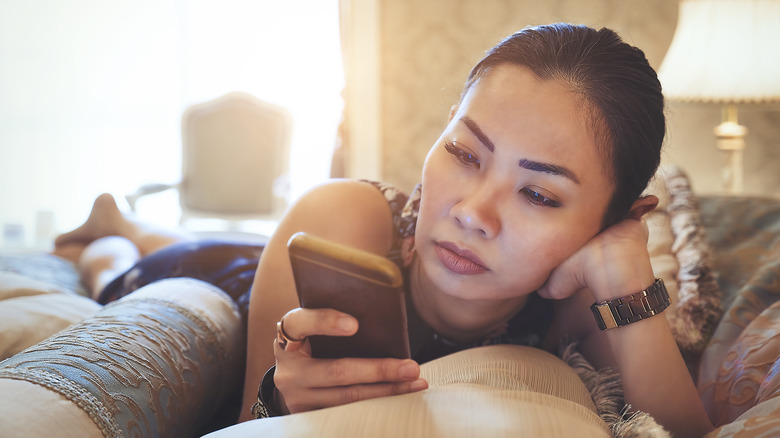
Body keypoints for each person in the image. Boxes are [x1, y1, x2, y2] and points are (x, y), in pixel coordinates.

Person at [54, 23, 713, 437]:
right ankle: (116, 229)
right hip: (228, 273)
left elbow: (682, 432)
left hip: (258, 253)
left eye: (539, 194)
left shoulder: (581, 298)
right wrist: (277, 398)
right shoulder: (337, 220)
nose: (471, 213)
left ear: (613, 219)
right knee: (116, 264)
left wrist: (628, 276)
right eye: (464, 153)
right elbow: (247, 422)